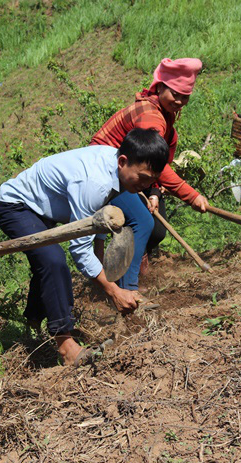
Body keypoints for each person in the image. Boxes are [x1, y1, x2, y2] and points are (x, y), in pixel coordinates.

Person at [0, 128, 169, 367]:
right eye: (143, 178)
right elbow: (80, 250)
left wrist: (102, 276)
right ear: (123, 161)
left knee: (44, 259)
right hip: (16, 205)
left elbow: (95, 221)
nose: (145, 186)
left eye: (151, 181)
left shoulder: (115, 166)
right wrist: (113, 291)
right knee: (53, 258)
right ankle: (66, 347)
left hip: (44, 208)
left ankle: (33, 321)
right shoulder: (94, 181)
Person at [90, 58, 209, 296]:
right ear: (160, 87)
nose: (179, 101)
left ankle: (125, 268)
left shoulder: (165, 116)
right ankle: (128, 290)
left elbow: (158, 163)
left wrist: (154, 192)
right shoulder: (151, 117)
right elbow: (155, 164)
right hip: (106, 171)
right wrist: (191, 196)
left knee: (155, 230)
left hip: (132, 171)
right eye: (175, 94)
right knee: (142, 222)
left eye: (185, 97)